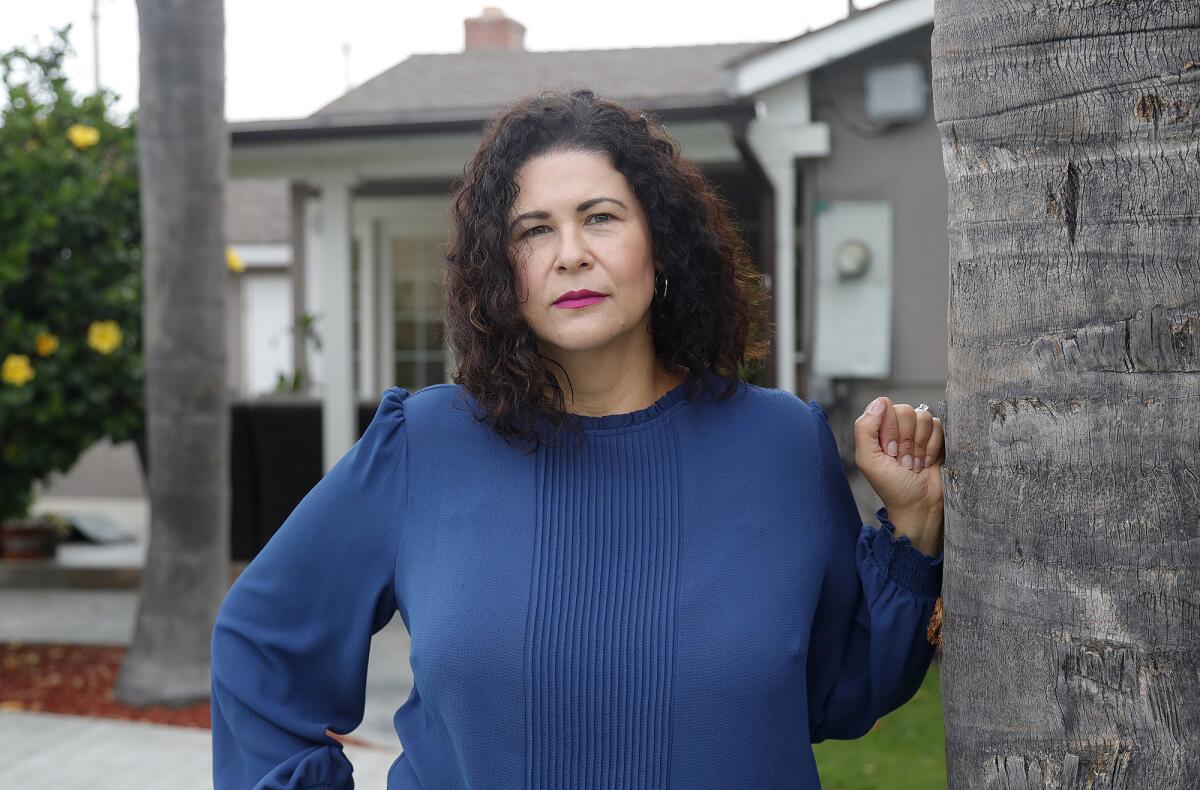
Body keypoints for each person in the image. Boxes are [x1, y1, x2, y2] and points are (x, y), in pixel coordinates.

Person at [210, 88, 946, 789]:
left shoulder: (779, 443)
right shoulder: (426, 443)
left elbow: (838, 692)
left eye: (600, 218)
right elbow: (259, 646)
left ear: (661, 247)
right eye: (534, 230)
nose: (570, 254)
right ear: (504, 272)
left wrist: (912, 527)